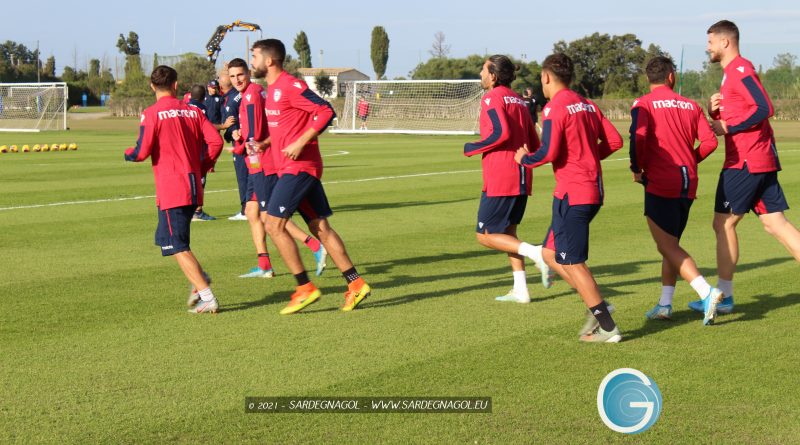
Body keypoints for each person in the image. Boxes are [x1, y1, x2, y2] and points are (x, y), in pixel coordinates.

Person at [688, 20, 800, 316]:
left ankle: (723, 297)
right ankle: (723, 296)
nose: (707, 47)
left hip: (746, 161)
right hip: (758, 159)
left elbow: (764, 108)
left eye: (710, 41)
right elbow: (743, 110)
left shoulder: (740, 70)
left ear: (725, 42)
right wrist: (716, 111)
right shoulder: (730, 75)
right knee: (776, 224)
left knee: (723, 224)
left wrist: (727, 126)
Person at [251, 38, 369, 314]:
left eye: (254, 56)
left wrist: (301, 142)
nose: (252, 61)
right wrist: (267, 144)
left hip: (300, 167)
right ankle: (356, 284)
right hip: (292, 168)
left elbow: (325, 111)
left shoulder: (290, 85)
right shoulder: (272, 90)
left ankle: (304, 288)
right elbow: (287, 126)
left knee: (273, 224)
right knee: (320, 228)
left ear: (269, 60)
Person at [514, 53, 624, 343]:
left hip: (575, 194)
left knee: (573, 261)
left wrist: (525, 159)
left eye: (541, 78)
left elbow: (548, 152)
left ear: (547, 77)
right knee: (550, 254)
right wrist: (586, 157)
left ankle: (607, 324)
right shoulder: (587, 105)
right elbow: (615, 141)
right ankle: (597, 305)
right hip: (581, 191)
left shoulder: (554, 108)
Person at [630, 56, 723, 325]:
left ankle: (706, 292)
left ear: (650, 78)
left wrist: (637, 167)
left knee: (667, 245)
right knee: (670, 245)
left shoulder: (643, 104)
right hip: (688, 182)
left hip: (661, 181)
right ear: (672, 76)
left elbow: (639, 138)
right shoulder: (691, 105)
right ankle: (665, 303)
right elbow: (710, 143)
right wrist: (689, 160)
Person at [123, 65, 223, 313]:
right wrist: (203, 166)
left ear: (152, 86)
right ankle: (199, 281)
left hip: (172, 188)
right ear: (176, 85)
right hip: (193, 186)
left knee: (177, 246)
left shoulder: (152, 113)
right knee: (169, 239)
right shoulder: (193, 112)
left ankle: (206, 295)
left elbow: (141, 152)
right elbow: (216, 141)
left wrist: (128, 154)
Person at [463, 54, 552, 304]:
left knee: (485, 235)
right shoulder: (520, 101)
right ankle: (521, 289)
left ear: (493, 76)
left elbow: (500, 133)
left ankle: (537, 252)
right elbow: (535, 143)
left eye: (483, 70)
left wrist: (473, 146)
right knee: (510, 233)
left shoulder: (492, 97)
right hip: (522, 175)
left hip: (501, 176)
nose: (480, 75)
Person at [227, 58, 327, 279]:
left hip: (261, 162)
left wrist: (238, 147)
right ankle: (264, 264)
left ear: (248, 73)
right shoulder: (250, 94)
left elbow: (255, 134)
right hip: (255, 162)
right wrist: (238, 134)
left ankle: (314, 246)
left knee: (270, 217)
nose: (236, 80)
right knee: (252, 212)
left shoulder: (253, 94)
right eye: (232, 76)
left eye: (240, 74)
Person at [218, 65, 248, 221]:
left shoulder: (230, 101)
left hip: (241, 145)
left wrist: (233, 131)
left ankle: (245, 210)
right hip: (250, 142)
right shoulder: (241, 94)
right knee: (253, 175)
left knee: (243, 176)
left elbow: (232, 124)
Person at [186, 84, 217, 222]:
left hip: (186, 148)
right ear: (204, 97)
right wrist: (224, 126)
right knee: (200, 180)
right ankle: (197, 212)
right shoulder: (203, 109)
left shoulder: (184, 107)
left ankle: (187, 209)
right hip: (199, 148)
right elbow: (207, 127)